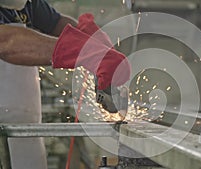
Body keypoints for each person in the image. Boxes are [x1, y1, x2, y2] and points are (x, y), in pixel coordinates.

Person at [0, 0, 130, 168]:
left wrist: (90, 38)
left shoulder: (23, 3)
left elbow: (57, 23)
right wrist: (86, 53)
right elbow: (6, 41)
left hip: (24, 130)